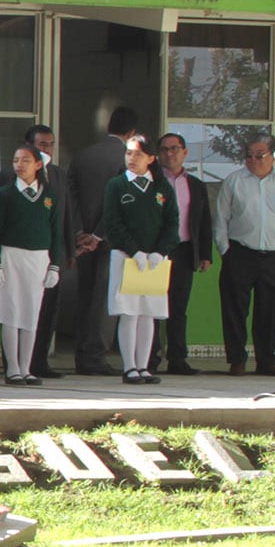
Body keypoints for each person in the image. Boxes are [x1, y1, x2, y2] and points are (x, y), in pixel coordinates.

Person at [213, 133, 275, 375]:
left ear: (273, 156)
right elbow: (221, 218)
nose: (253, 160)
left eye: (259, 155)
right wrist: (225, 250)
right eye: (249, 156)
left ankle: (267, 360)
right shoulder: (234, 181)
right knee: (235, 309)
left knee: (270, 309)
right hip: (240, 252)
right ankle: (237, 359)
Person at [68, 107, 143, 376]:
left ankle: (82, 355)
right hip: (111, 241)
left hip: (83, 239)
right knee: (106, 301)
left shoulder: (84, 155)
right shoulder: (128, 159)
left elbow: (71, 196)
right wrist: (99, 235)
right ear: (131, 132)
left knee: (86, 297)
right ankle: (95, 357)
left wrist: (80, 231)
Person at [100, 135, 181, 384]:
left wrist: (159, 251)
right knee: (129, 313)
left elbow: (171, 222)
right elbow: (113, 223)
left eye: (137, 154)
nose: (131, 159)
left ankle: (144, 366)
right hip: (127, 257)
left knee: (148, 313)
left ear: (151, 158)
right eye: (128, 153)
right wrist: (134, 251)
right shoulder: (117, 185)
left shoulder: (161, 186)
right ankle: (129, 367)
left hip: (154, 261)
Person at [0, 142, 66, 386]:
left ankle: (26, 367)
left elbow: (56, 232)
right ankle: (12, 368)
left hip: (38, 259)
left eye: (25, 160)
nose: (19, 165)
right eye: (15, 161)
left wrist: (55, 265)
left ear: (38, 164)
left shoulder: (50, 195)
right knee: (11, 313)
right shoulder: (5, 193)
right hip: (12, 255)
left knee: (31, 314)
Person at [151, 133, 215, 376]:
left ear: (185, 152)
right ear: (158, 154)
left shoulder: (196, 185)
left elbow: (204, 221)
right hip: (157, 251)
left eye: (175, 148)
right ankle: (150, 358)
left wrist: (205, 253)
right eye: (165, 149)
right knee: (154, 307)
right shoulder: (153, 181)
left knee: (178, 308)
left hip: (185, 250)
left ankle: (178, 359)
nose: (170, 153)